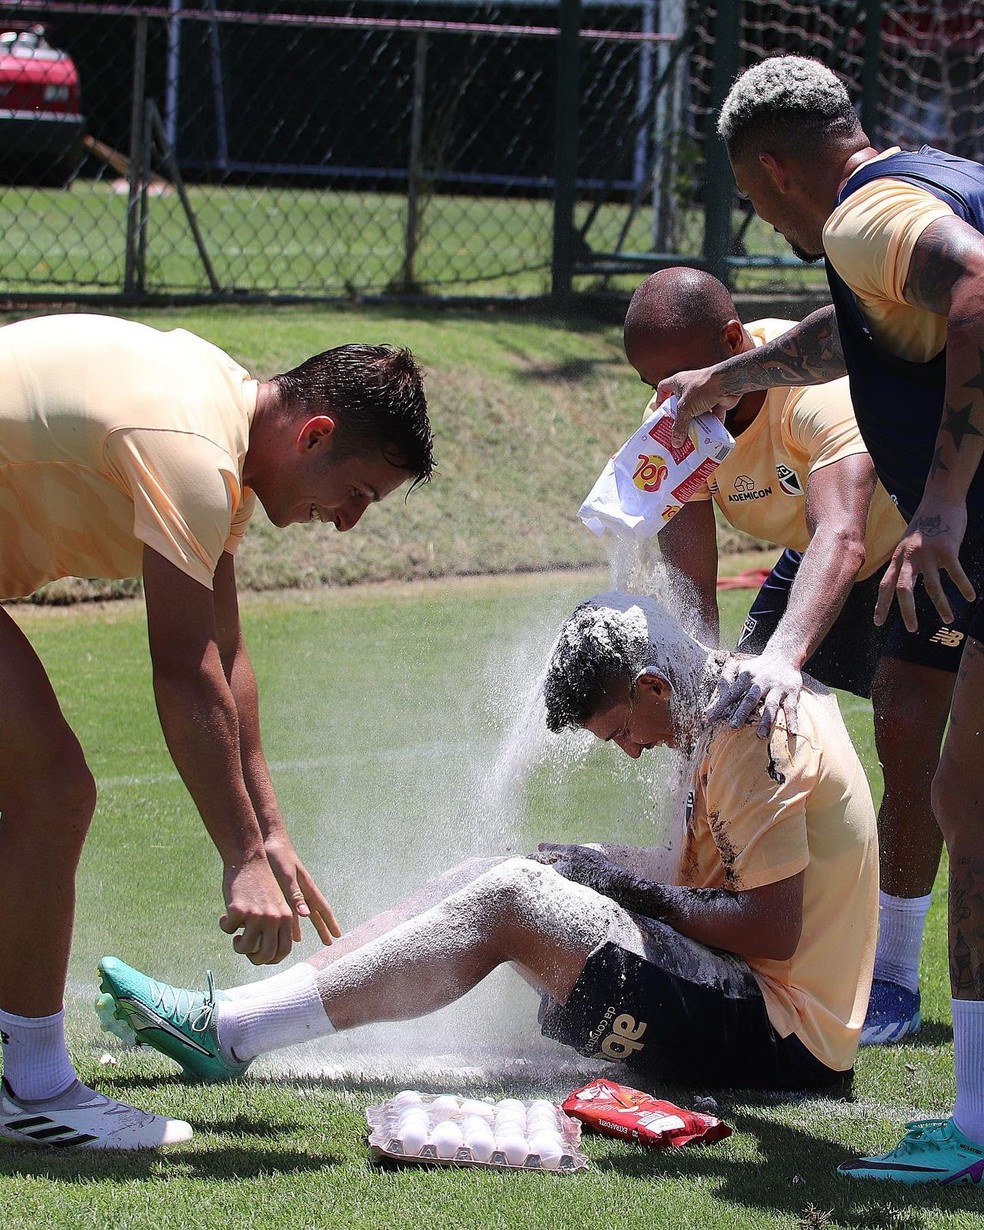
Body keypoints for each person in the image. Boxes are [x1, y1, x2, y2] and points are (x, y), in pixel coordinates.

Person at [95, 591, 876, 1103]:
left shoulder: (748, 729)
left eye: (622, 731)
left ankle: (230, 1033)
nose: (631, 751)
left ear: (654, 687)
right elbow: (694, 881)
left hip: (785, 1043)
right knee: (500, 876)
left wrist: (615, 884)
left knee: (511, 898)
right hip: (746, 998)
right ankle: (236, 1013)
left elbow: (770, 926)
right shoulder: (716, 712)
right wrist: (590, 864)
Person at [658, 54, 984, 1184]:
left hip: (953, 532)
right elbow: (864, 330)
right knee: (963, 793)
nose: (756, 210)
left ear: (772, 169)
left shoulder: (859, 215)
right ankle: (974, 1120)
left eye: (749, 194)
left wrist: (941, 501)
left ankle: (967, 1114)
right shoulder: (929, 178)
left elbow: (978, 288)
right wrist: (727, 377)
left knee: (959, 792)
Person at [0, 313, 434, 1150]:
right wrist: (238, 858)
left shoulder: (218, 419)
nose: (345, 521)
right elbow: (182, 665)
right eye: (356, 495)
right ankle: (33, 1085)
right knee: (50, 795)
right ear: (315, 433)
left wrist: (270, 831)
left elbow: (227, 650)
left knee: (37, 797)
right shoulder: (193, 446)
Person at [625, 266, 954, 1050]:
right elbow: (687, 558)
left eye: (681, 376)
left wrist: (783, 657)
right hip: (823, 553)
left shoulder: (815, 391)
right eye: (649, 382)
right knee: (730, 722)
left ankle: (897, 976)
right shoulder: (676, 407)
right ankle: (720, 919)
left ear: (733, 346)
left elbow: (842, 535)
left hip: (917, 536)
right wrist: (699, 660)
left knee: (906, 725)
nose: (668, 399)